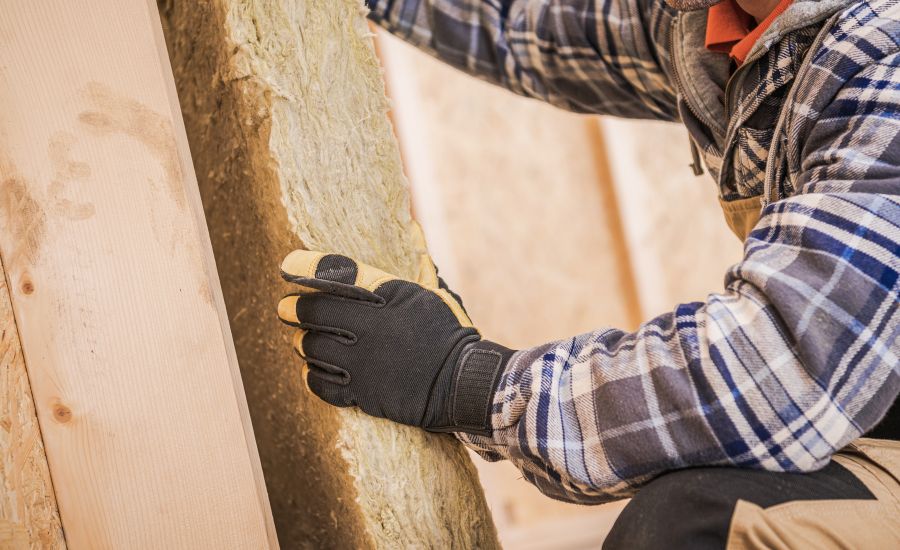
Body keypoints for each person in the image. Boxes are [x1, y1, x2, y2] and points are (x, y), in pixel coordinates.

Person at [277, 0, 900, 547]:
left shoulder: (884, 59)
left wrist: (471, 385)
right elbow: (517, 23)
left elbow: (781, 370)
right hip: (864, 418)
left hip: (851, 410)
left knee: (698, 526)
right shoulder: (727, 24)